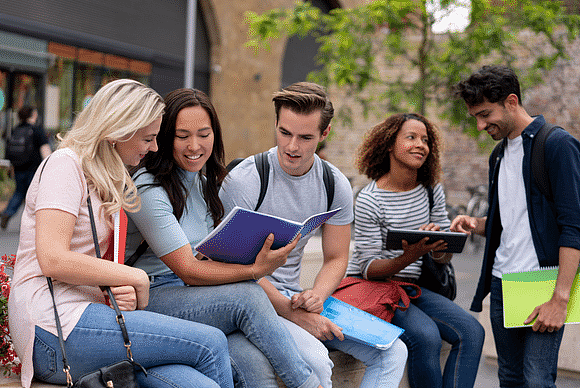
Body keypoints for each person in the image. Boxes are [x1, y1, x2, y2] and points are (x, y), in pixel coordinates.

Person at [8, 79, 234, 388]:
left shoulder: (107, 178)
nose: (154, 147)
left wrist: (115, 287)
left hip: (92, 317)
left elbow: (91, 260)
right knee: (210, 342)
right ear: (118, 131)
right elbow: (52, 258)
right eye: (148, 138)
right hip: (52, 328)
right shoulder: (65, 165)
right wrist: (134, 277)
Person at [124, 88, 322, 388]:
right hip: (152, 298)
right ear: (165, 138)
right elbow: (187, 268)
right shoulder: (148, 187)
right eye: (182, 136)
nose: (195, 145)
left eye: (204, 134)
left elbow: (211, 258)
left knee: (255, 366)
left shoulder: (207, 186)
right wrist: (256, 270)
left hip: (197, 296)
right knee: (248, 294)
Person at [219, 81, 408, 388]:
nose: (292, 146)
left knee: (393, 353)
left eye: (305, 137)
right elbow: (229, 268)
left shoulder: (334, 184)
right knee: (320, 362)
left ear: (325, 134)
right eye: (285, 133)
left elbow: (336, 257)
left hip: (297, 300)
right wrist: (293, 313)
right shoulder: (246, 180)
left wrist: (317, 295)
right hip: (252, 301)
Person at [452, 65, 580, 387]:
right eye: (476, 118)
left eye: (485, 114)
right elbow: (509, 221)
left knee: (537, 380)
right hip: (503, 282)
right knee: (509, 377)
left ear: (511, 101)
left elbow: (573, 226)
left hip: (544, 284)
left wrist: (560, 298)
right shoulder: (498, 155)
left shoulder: (557, 145)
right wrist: (476, 224)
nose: (481, 125)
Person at [346, 113, 485, 388]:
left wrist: (438, 247)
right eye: (411, 137)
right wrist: (409, 256)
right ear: (389, 144)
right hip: (377, 289)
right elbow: (369, 269)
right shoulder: (369, 199)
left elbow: (442, 259)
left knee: (472, 331)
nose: (420, 144)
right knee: (426, 337)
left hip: (416, 288)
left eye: (425, 140)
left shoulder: (432, 190)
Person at [1, 106, 51, 229]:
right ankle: (34, 222)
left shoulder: (16, 129)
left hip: (18, 168)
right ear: (33, 115)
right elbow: (45, 150)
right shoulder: (36, 130)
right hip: (34, 169)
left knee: (19, 192)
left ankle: (7, 213)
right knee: (34, 195)